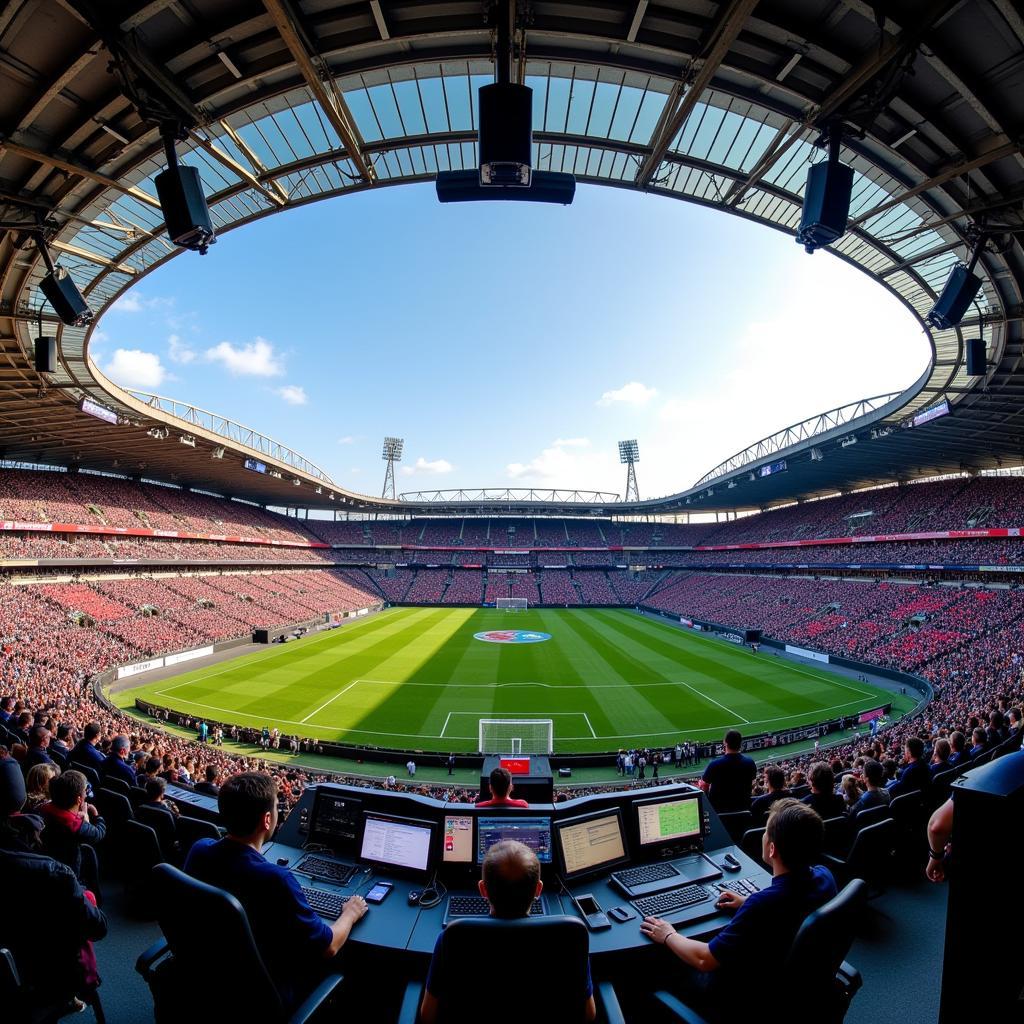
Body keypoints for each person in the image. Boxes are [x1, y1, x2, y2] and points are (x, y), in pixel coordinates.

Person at [640, 800, 836, 1017]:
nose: (763, 835)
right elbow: (793, 905)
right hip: (794, 985)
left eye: (766, 832)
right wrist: (746, 902)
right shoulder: (825, 876)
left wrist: (668, 934)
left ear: (772, 849)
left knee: (660, 963)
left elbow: (704, 960)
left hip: (738, 996)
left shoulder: (762, 904)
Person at [185, 772, 367, 1006]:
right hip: (264, 995)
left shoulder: (199, 850)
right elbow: (329, 947)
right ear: (267, 820)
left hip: (210, 975)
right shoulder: (276, 879)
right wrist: (350, 913)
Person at [419, 840, 595, 1024]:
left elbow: (428, 1016)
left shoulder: (453, 937)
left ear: (482, 889)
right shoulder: (569, 936)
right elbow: (589, 1014)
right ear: (538, 889)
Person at [40, 769, 107, 883]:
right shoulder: (75, 825)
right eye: (85, 791)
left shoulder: (42, 808)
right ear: (79, 799)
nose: (86, 793)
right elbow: (98, 833)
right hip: (67, 874)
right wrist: (95, 815)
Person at [698, 731, 756, 812]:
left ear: (725, 743)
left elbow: (704, 786)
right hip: (743, 809)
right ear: (740, 744)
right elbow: (752, 783)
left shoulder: (715, 764)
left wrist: (702, 785)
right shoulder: (750, 763)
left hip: (718, 811)